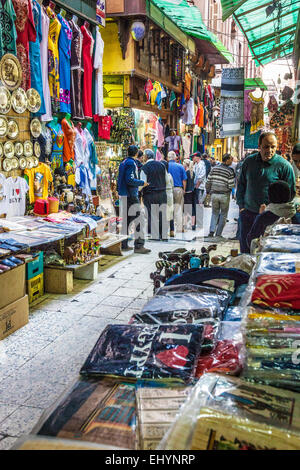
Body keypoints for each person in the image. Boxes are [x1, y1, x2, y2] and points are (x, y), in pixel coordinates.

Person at [236, 132, 296, 253]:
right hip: (248, 214)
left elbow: (290, 193)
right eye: (266, 147)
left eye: (273, 147)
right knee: (246, 250)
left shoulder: (284, 166)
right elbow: (241, 185)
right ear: (259, 146)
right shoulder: (249, 162)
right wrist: (241, 207)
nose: (269, 150)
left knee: (265, 252)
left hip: (272, 219)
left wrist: (272, 211)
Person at [247, 180, 300, 251]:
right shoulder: (297, 217)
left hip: (268, 259)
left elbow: (251, 241)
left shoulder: (263, 217)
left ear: (270, 196)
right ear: (289, 195)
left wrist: (261, 214)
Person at [117, 145, 151, 254]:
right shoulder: (131, 163)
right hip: (131, 195)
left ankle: (124, 244)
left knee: (127, 220)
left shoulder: (123, 162)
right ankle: (139, 245)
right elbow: (130, 180)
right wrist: (142, 183)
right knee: (139, 219)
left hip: (124, 194)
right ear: (136, 153)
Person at [140, 149, 168, 241]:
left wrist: (139, 192)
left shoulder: (145, 167)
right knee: (162, 214)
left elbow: (142, 183)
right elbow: (166, 180)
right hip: (162, 193)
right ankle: (163, 235)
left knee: (152, 215)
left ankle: (155, 235)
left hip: (150, 194)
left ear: (146, 157)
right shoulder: (162, 165)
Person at [205, 153, 235, 240]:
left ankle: (211, 231)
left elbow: (208, 181)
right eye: (230, 159)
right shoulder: (230, 171)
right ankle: (218, 234)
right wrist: (232, 194)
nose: (232, 161)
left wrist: (208, 191)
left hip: (214, 194)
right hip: (224, 195)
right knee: (223, 214)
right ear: (227, 160)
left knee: (214, 213)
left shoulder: (214, 168)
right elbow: (231, 185)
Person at [168, 151, 187, 235]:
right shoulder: (180, 166)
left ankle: (170, 229)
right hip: (178, 189)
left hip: (168, 190)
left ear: (168, 158)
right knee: (178, 209)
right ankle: (180, 228)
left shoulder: (165, 166)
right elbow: (184, 180)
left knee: (169, 210)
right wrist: (184, 190)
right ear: (175, 157)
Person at [183, 159, 195, 230]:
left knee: (186, 208)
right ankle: (193, 224)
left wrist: (184, 190)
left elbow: (185, 182)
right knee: (192, 208)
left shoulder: (186, 173)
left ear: (186, 164)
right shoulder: (192, 172)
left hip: (187, 192)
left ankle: (185, 224)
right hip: (192, 192)